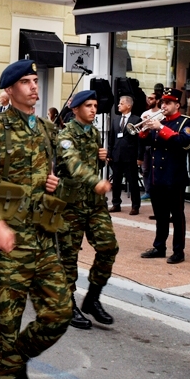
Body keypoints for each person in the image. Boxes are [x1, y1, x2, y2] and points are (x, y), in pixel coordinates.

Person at [0, 59, 72, 379]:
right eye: (26, 82)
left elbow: (58, 173)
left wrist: (54, 184)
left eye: (36, 81)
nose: (35, 86)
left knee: (60, 312)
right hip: (11, 243)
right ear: (10, 89)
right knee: (7, 321)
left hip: (43, 238)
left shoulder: (47, 129)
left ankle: (20, 357)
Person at [57, 90, 118, 330]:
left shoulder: (93, 132)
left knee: (109, 246)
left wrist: (102, 158)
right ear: (75, 109)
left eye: (95, 105)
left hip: (94, 204)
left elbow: (92, 161)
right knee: (69, 257)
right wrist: (96, 181)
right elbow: (73, 164)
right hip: (71, 205)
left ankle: (92, 298)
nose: (94, 109)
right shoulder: (66, 135)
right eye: (88, 106)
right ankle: (67, 304)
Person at [139, 88, 190, 263]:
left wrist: (161, 127)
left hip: (174, 177)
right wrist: (146, 127)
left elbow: (184, 143)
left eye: (168, 103)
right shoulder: (158, 120)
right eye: (163, 102)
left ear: (177, 104)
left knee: (177, 216)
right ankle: (159, 247)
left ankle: (179, 251)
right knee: (160, 214)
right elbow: (146, 141)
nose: (164, 106)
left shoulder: (186, 122)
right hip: (157, 177)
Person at [108, 95, 142, 214]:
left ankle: (135, 206)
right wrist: (109, 153)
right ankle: (116, 203)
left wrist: (139, 157)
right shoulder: (115, 120)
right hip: (117, 155)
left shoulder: (136, 120)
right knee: (116, 182)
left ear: (128, 105)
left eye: (121, 103)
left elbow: (139, 140)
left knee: (132, 182)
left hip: (130, 156)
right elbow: (111, 138)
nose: (118, 105)